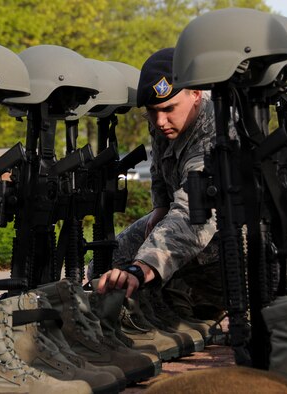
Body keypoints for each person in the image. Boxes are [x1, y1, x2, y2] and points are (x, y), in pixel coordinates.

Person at [96, 48, 222, 315]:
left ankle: (207, 300)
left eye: (168, 109)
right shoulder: (166, 119)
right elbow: (159, 165)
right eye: (153, 112)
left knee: (147, 259)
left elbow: (193, 214)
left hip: (231, 236)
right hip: (189, 217)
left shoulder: (216, 128)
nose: (160, 122)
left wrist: (142, 268)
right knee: (114, 255)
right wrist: (160, 206)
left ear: (195, 93)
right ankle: (166, 303)